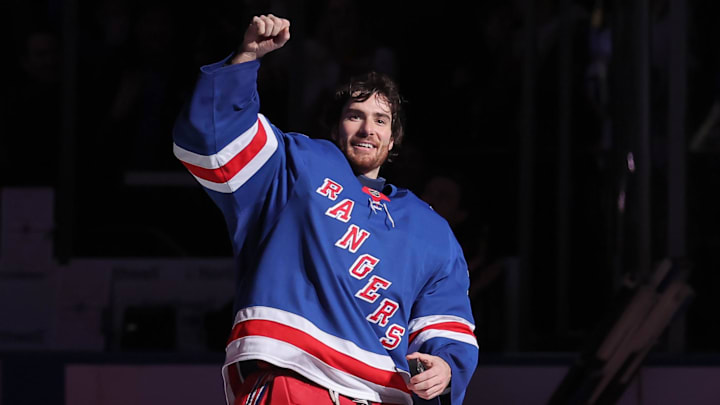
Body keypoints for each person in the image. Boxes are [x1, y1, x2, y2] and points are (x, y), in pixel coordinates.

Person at [172, 14, 478, 405]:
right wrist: (247, 57)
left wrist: (448, 367)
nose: (368, 129)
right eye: (355, 116)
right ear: (335, 128)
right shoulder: (297, 164)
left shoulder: (431, 229)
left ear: (393, 138)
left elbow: (446, 322)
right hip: (291, 380)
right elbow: (212, 138)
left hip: (380, 395)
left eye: (381, 120)